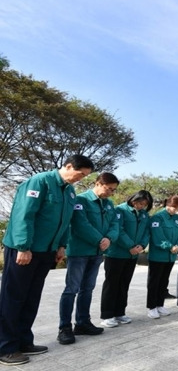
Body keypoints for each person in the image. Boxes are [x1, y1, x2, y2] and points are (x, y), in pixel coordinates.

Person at [0, 155, 94, 366]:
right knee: (13, 297)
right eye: (80, 174)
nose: (80, 179)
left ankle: (24, 341)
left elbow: (65, 222)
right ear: (68, 166)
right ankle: (5, 347)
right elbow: (24, 215)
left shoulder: (70, 191)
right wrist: (23, 247)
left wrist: (61, 245)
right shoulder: (39, 181)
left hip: (46, 251)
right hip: (25, 249)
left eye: (85, 176)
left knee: (31, 297)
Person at [57, 172, 120, 345]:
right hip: (79, 252)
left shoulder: (109, 204)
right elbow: (80, 224)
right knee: (71, 289)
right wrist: (99, 239)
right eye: (109, 189)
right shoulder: (81, 200)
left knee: (88, 289)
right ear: (98, 183)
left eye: (113, 190)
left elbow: (115, 224)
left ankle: (83, 323)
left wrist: (109, 238)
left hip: (97, 253)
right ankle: (64, 328)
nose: (111, 193)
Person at [100, 190, 152, 328]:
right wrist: (130, 245)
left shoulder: (144, 215)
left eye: (144, 204)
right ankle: (107, 315)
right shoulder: (120, 210)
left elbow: (147, 231)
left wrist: (141, 245)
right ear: (133, 200)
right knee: (112, 284)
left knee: (124, 284)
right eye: (140, 203)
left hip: (133, 255)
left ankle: (120, 312)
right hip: (117, 254)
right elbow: (119, 230)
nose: (141, 206)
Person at [147, 196, 178, 319]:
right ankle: (152, 307)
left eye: (177, 208)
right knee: (154, 282)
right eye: (173, 207)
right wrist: (169, 246)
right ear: (167, 204)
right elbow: (157, 237)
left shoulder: (177, 219)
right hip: (158, 255)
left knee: (164, 281)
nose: (174, 210)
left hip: (171, 256)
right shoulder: (157, 217)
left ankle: (160, 304)